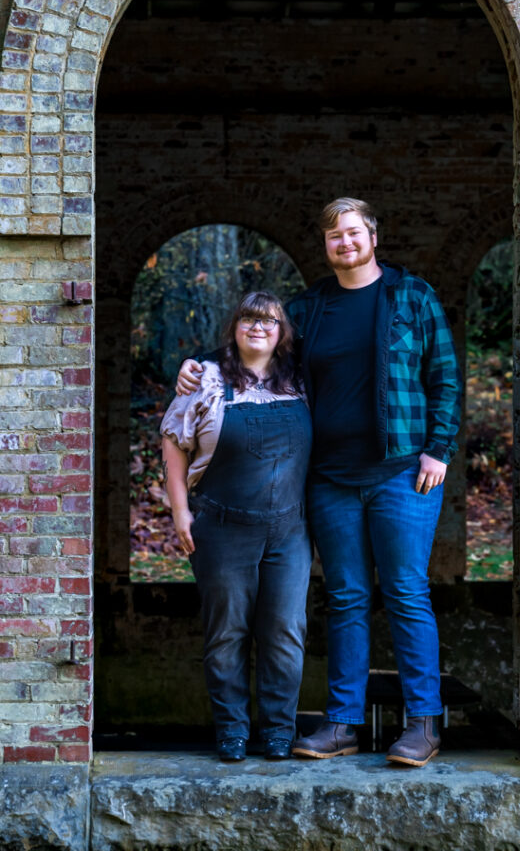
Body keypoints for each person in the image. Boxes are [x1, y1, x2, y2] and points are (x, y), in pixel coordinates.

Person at [176, 199, 461, 766]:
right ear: (326, 246)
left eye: (353, 232)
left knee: (405, 592)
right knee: (346, 598)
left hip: (403, 471)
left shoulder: (412, 296)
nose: (345, 243)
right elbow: (258, 347)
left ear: (373, 236)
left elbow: (445, 375)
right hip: (329, 479)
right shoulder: (311, 308)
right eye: (334, 236)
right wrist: (199, 363)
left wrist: (438, 450)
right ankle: (342, 724)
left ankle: (422, 724)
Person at [161, 290, 312, 763]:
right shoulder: (205, 378)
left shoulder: (301, 382)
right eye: (248, 319)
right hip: (222, 527)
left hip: (289, 531)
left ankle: (278, 734)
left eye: (268, 321)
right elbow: (173, 442)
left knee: (285, 632)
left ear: (281, 331)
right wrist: (179, 510)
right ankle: (231, 732)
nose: (258, 327)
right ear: (235, 327)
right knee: (227, 633)